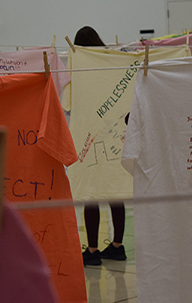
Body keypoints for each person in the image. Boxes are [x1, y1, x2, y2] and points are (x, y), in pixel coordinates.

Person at [72, 25, 127, 266]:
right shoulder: (113, 61)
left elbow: (69, 103)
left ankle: (92, 250)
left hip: (91, 136)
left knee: (91, 193)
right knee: (116, 191)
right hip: (115, 134)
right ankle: (117, 246)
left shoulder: (81, 65)